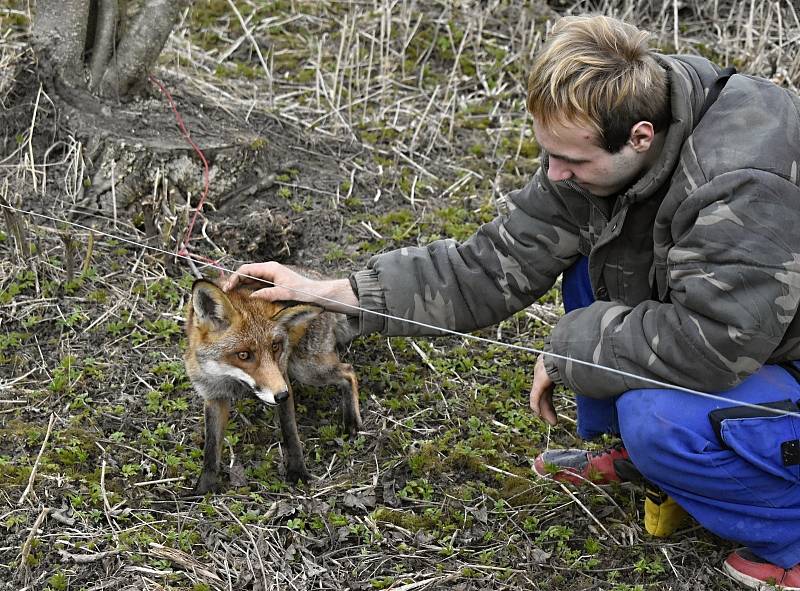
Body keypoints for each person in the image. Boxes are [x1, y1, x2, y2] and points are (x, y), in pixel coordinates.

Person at [225, 15, 800, 589]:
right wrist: (331, 293)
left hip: (759, 347)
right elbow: (491, 264)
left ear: (640, 136)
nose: (555, 174)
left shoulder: (741, 182)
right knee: (591, 264)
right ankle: (649, 465)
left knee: (659, 420)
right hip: (747, 327)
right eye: (549, 154)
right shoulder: (610, 138)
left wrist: (568, 349)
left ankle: (790, 541)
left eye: (571, 161)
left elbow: (715, 341)